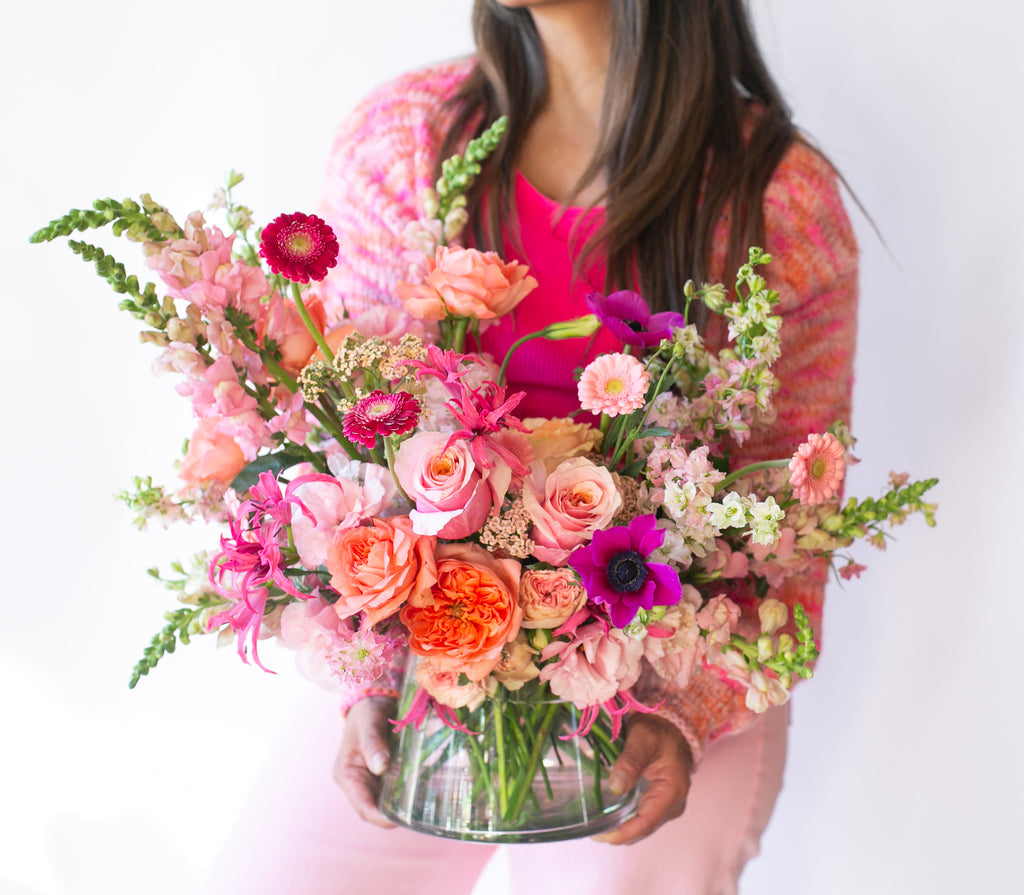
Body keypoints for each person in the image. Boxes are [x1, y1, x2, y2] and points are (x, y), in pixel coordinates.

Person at [205, 1, 857, 892]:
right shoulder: (403, 141)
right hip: (428, 678)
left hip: (669, 698)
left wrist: (689, 716)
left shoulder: (777, 196)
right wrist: (366, 682)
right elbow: (348, 442)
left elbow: (795, 532)